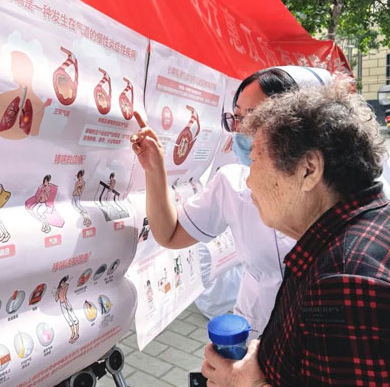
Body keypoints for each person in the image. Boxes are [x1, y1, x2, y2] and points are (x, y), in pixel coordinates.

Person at [201, 82, 390, 386]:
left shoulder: (346, 280)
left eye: (256, 160)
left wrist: (246, 383)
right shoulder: (378, 218)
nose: (249, 180)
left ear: (309, 170)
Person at [131, 66, 335, 335]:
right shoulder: (233, 183)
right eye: (238, 117)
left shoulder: (333, 193)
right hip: (251, 332)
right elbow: (170, 234)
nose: (243, 131)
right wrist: (155, 169)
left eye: (258, 117)